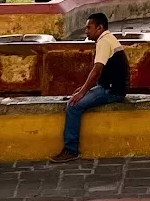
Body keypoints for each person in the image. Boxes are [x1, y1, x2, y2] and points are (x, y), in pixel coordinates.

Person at [52, 12, 129, 161]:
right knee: (74, 98)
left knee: (74, 106)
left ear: (100, 28)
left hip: (112, 91)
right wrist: (82, 90)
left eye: (89, 27)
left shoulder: (104, 42)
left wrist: (82, 93)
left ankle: (71, 149)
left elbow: (96, 71)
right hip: (109, 87)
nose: (86, 31)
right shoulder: (107, 39)